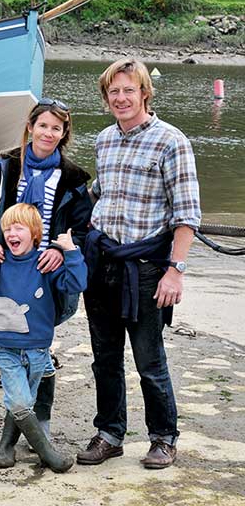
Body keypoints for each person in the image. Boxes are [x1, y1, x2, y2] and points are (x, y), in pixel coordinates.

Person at [77, 58, 201, 470]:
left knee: (150, 360)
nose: (121, 98)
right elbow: (99, 194)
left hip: (147, 268)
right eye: (114, 91)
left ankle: (164, 437)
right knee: (104, 357)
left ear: (145, 93)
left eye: (129, 90)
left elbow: (187, 216)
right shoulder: (105, 140)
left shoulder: (172, 141)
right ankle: (110, 434)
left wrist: (175, 271)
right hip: (103, 263)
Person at [0, 97, 92, 450]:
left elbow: (82, 230)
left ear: (64, 134)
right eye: (42, 125)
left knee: (39, 349)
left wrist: (60, 251)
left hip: (46, 273)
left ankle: (39, 422)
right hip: (4, 268)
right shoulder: (3, 170)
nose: (48, 133)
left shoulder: (75, 179)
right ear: (30, 127)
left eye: (56, 128)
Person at [0, 203, 86, 471]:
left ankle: (5, 446)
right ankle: (48, 454)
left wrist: (71, 251)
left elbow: (76, 285)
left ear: (34, 233)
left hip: (38, 350)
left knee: (22, 402)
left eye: (18, 228)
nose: (11, 233)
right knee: (19, 401)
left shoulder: (46, 264)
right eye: (7, 229)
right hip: (6, 348)